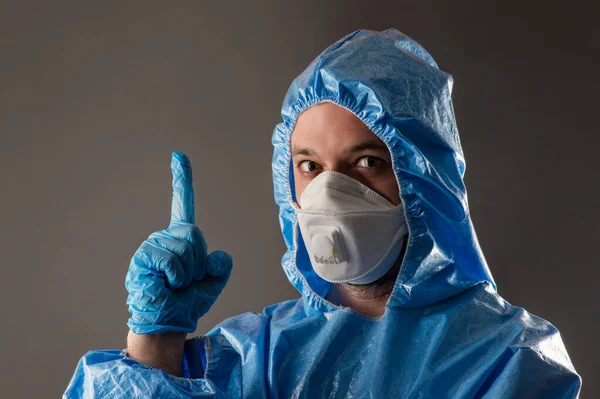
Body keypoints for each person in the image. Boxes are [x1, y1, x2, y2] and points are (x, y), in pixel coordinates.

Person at [64, 29, 581, 398]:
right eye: (310, 165)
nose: (331, 194)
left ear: (423, 182)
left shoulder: (509, 362)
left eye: (367, 162)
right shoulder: (258, 355)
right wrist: (155, 339)